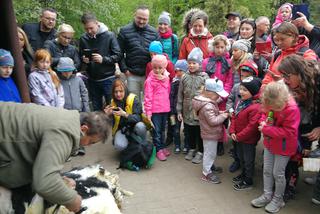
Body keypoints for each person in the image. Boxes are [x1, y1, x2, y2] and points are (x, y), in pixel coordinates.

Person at [0, 102, 111, 213]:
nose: (88, 145)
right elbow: (44, 183)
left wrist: (58, 178)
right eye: (91, 141)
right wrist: (72, 199)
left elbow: (43, 154)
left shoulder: (69, 118)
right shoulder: (63, 133)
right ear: (84, 128)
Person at [251, 81, 300, 213]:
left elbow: (289, 132)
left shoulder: (292, 109)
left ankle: (278, 199)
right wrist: (262, 120)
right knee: (267, 170)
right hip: (270, 143)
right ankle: (267, 195)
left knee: (278, 174)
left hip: (284, 147)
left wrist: (266, 129)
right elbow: (264, 113)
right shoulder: (270, 102)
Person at [277, 55, 320, 204]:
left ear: (300, 73)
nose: (285, 80)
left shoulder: (317, 81)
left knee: (308, 152)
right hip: (300, 121)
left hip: (311, 121)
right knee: (294, 154)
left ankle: (313, 183)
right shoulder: (290, 84)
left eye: (287, 76)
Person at [79, 12, 121, 110]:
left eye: (91, 28)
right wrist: (84, 59)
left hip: (109, 79)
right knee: (96, 109)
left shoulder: (109, 36)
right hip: (92, 80)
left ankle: (113, 125)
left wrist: (104, 59)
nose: (89, 31)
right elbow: (80, 55)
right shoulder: (83, 39)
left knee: (113, 108)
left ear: (97, 23)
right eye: (86, 29)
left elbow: (118, 55)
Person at [118, 5, 160, 102]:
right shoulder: (124, 31)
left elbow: (159, 54)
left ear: (148, 18)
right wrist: (125, 70)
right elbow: (119, 53)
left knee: (149, 102)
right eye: (139, 18)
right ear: (134, 15)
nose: (141, 21)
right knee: (132, 102)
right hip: (131, 73)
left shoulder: (154, 33)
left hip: (149, 74)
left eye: (144, 19)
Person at [192, 78, 229, 184]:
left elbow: (211, 114)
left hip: (208, 132)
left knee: (209, 151)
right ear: (209, 93)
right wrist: (224, 115)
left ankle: (210, 166)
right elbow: (213, 121)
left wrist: (220, 112)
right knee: (210, 153)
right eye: (217, 94)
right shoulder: (208, 106)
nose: (219, 97)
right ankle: (206, 173)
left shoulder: (205, 101)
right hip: (210, 133)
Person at [202, 35, 233, 156]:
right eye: (217, 46)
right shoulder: (206, 62)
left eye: (222, 47)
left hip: (223, 97)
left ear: (226, 47)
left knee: (220, 121)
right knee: (209, 119)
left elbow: (229, 82)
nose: (219, 49)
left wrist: (222, 97)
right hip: (209, 96)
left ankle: (220, 143)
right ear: (212, 47)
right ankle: (209, 142)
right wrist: (209, 96)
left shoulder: (229, 63)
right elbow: (204, 79)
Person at [226, 60, 259, 173]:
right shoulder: (236, 87)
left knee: (248, 151)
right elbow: (230, 99)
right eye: (241, 75)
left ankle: (247, 169)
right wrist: (230, 109)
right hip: (236, 121)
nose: (243, 78)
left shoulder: (255, 93)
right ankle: (237, 161)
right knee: (236, 146)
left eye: (247, 76)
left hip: (247, 127)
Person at [177, 48, 209, 164]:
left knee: (199, 131)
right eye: (189, 63)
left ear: (200, 64)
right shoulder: (184, 77)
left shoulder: (204, 77)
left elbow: (208, 94)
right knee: (189, 130)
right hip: (186, 109)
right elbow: (180, 94)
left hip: (199, 110)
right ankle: (191, 148)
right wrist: (179, 110)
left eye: (194, 63)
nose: (191, 65)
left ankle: (200, 151)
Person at [230, 77, 261, 191]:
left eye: (245, 90)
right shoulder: (240, 102)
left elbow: (252, 127)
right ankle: (243, 174)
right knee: (241, 157)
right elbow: (234, 116)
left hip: (248, 140)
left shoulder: (255, 107)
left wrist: (239, 136)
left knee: (248, 160)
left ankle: (248, 180)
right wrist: (232, 131)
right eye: (241, 89)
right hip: (238, 137)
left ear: (252, 92)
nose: (241, 92)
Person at [104, 79, 146, 152]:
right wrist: (107, 115)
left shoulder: (133, 99)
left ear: (125, 90)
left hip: (135, 127)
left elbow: (138, 118)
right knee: (119, 146)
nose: (118, 94)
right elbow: (113, 124)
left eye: (121, 91)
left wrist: (125, 114)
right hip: (123, 129)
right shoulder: (113, 102)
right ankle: (130, 147)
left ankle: (143, 145)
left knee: (141, 126)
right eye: (116, 92)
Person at [144, 55, 171, 161]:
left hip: (165, 108)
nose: (157, 70)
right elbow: (148, 97)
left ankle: (162, 146)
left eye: (160, 67)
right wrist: (148, 112)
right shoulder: (150, 81)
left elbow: (168, 92)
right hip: (155, 110)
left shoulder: (167, 78)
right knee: (157, 131)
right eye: (155, 67)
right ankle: (158, 149)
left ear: (164, 67)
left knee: (163, 129)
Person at [168, 59, 188, 153]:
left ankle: (187, 145)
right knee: (175, 128)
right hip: (175, 110)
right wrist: (171, 110)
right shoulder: (174, 82)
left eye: (181, 70)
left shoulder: (187, 82)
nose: (178, 73)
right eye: (176, 71)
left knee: (187, 129)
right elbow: (171, 96)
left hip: (186, 109)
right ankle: (177, 145)